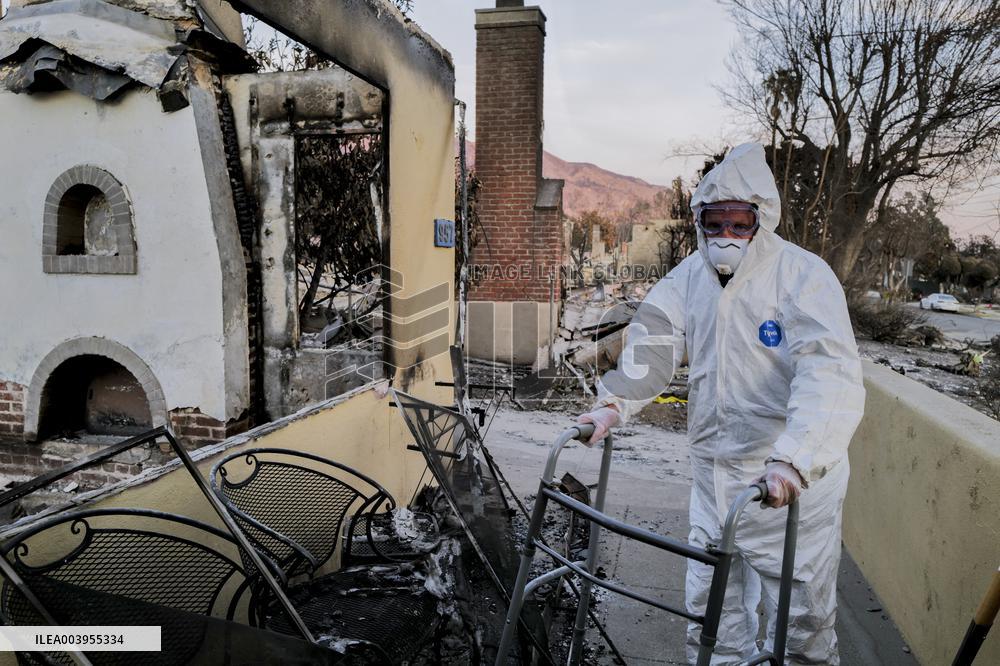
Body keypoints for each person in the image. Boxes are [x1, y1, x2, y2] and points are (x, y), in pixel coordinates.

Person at [577, 143, 865, 665]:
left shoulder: (803, 277)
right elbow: (654, 342)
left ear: (763, 219)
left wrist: (794, 459)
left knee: (800, 623)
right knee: (712, 610)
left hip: (788, 485)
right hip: (714, 476)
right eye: (716, 222)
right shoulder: (690, 278)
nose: (726, 235)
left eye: (739, 222)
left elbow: (829, 373)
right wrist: (613, 405)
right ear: (699, 222)